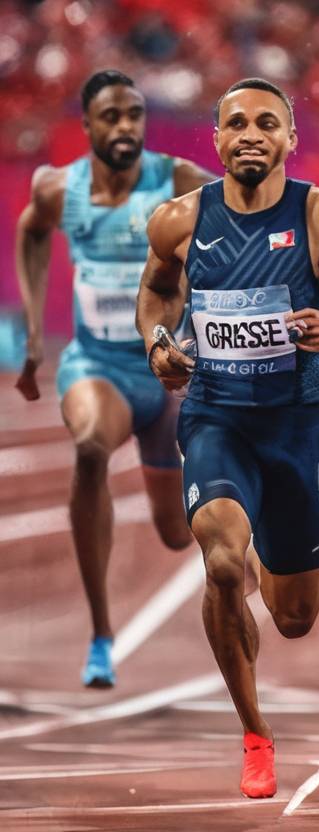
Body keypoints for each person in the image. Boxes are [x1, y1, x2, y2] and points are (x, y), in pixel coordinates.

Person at [136, 78, 319, 798]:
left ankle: (263, 561)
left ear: (289, 139)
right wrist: (159, 342)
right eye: (236, 122)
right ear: (215, 140)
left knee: (294, 618)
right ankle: (255, 731)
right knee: (219, 563)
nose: (251, 133)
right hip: (215, 418)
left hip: (293, 430)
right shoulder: (179, 221)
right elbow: (156, 294)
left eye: (267, 123)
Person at [14, 69, 214, 689]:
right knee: (91, 447)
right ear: (88, 125)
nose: (126, 127)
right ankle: (101, 634)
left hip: (167, 373)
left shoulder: (176, 181)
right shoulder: (58, 188)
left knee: (178, 535)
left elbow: (236, 223)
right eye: (111, 117)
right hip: (98, 363)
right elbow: (30, 235)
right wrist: (29, 337)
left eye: (134, 115)